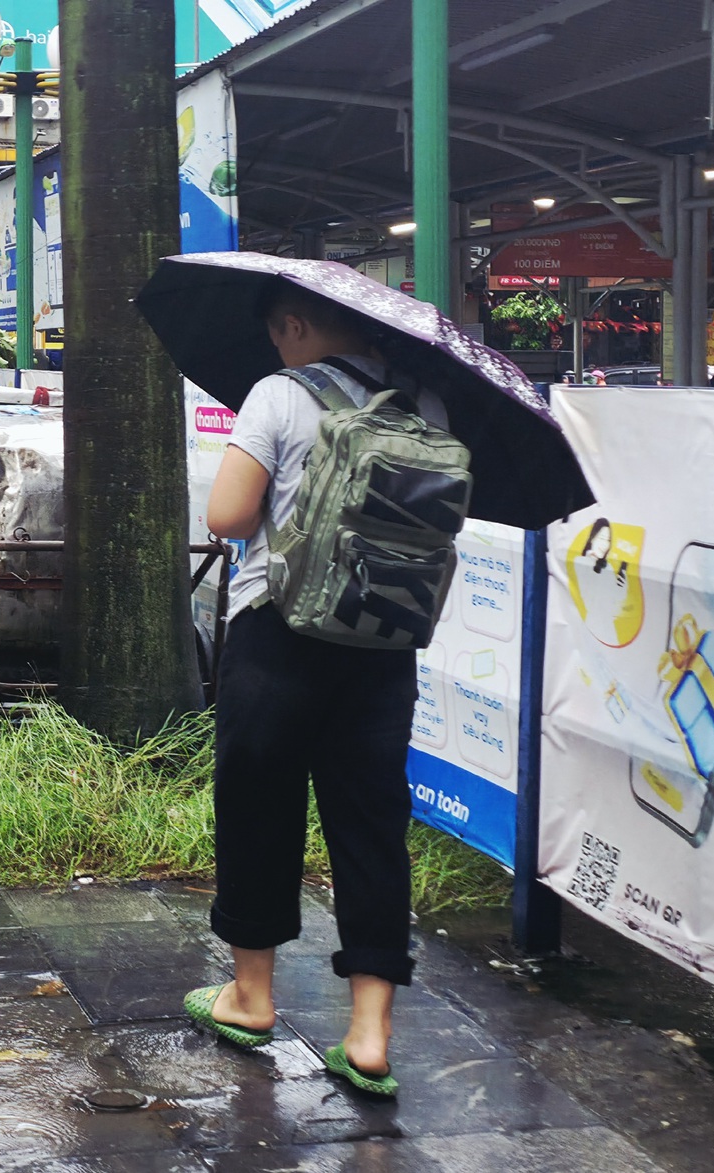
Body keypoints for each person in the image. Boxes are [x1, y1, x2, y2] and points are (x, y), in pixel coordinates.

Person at [184, 284, 445, 1099]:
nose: (276, 349)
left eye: (278, 334)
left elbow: (228, 513)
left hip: (279, 635)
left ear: (296, 326)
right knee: (371, 824)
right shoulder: (427, 403)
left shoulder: (279, 395)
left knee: (259, 807)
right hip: (381, 646)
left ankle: (252, 996)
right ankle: (370, 1035)